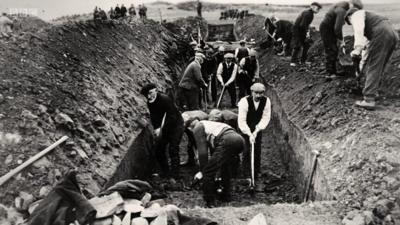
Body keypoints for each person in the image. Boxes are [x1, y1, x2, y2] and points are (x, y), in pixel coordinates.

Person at [345, 8, 399, 109]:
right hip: (392, 33)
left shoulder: (356, 15)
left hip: (381, 33)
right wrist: (360, 69)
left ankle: (369, 99)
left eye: (350, 22)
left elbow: (359, 30)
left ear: (349, 16)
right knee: (379, 65)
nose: (352, 25)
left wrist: (357, 49)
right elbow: (366, 52)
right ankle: (374, 92)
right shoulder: (370, 23)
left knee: (374, 66)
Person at [188, 118, 244, 207]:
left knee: (208, 171)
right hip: (239, 140)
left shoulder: (198, 127)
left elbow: (203, 153)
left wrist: (202, 171)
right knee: (225, 168)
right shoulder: (212, 125)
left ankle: (210, 202)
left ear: (190, 128)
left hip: (227, 140)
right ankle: (225, 195)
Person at [140, 84, 185, 179]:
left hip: (176, 126)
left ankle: (175, 176)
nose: (149, 96)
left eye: (150, 93)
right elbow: (154, 117)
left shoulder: (165, 99)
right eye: (146, 95)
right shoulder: (150, 102)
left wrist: (162, 129)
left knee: (173, 149)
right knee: (158, 150)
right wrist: (156, 128)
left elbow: (172, 117)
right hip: (164, 128)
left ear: (156, 90)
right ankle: (166, 172)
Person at [238, 83, 271, 183]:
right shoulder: (244, 102)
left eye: (261, 93)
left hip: (257, 127)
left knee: (257, 149)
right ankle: (246, 172)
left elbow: (266, 117)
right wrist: (248, 133)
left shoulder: (266, 101)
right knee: (246, 149)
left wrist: (257, 130)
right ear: (251, 92)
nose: (258, 96)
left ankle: (256, 171)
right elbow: (242, 120)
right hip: (245, 127)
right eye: (256, 93)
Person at [319, 2, 352, 76]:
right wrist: (341, 40)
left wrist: (351, 22)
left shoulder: (338, 8)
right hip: (327, 29)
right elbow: (337, 29)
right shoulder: (342, 11)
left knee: (331, 48)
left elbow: (346, 19)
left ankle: (330, 70)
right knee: (331, 49)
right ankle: (330, 73)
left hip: (326, 28)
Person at [290, 2, 322, 67]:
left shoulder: (310, 13)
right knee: (298, 45)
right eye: (317, 8)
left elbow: (305, 24)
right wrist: (307, 33)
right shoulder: (308, 13)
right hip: (297, 31)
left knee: (306, 45)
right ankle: (293, 61)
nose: (318, 10)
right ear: (312, 7)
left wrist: (307, 30)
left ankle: (303, 61)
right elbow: (302, 25)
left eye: (319, 9)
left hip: (300, 30)